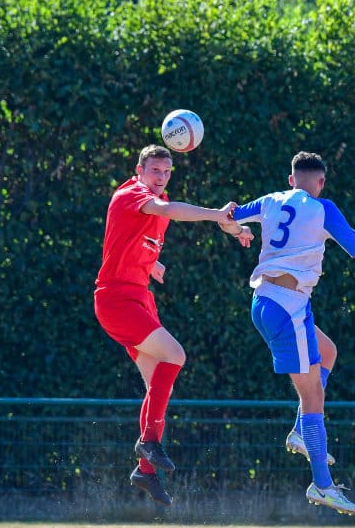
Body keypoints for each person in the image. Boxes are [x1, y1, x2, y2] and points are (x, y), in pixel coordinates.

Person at [221, 151, 355, 516]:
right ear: (321, 182)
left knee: (328, 352)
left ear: (291, 179)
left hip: (267, 301)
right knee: (313, 396)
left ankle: (300, 433)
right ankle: (322, 485)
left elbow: (227, 216)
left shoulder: (271, 200)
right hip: (287, 307)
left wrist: (238, 229)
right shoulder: (323, 208)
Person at [94, 144, 248, 506]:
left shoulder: (154, 202)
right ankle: (148, 443)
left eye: (166, 172)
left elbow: (132, 243)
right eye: (155, 171)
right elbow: (169, 210)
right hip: (117, 301)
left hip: (138, 299)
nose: (161, 177)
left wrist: (151, 265)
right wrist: (216, 214)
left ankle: (145, 471)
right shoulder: (133, 194)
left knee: (157, 386)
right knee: (176, 355)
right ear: (139, 171)